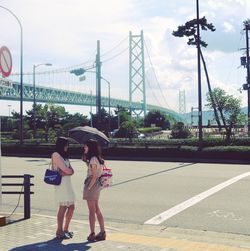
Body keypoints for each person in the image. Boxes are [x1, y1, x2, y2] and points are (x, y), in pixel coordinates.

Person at [51, 137, 75, 239]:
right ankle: (59, 231)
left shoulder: (65, 156)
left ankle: (65, 229)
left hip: (68, 184)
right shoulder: (56, 155)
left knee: (72, 206)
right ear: (61, 145)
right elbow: (67, 170)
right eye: (66, 144)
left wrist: (66, 172)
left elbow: (71, 171)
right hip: (61, 185)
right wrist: (67, 171)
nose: (67, 146)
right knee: (63, 207)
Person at [82, 139, 106, 242]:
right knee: (96, 209)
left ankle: (92, 234)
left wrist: (88, 188)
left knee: (92, 211)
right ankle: (102, 232)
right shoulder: (97, 159)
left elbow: (94, 176)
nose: (84, 148)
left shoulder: (93, 160)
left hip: (92, 184)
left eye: (86, 146)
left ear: (90, 148)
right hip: (96, 185)